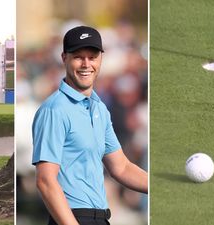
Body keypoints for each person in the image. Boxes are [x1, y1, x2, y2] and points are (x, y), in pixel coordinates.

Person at [32, 26, 148, 225]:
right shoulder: (54, 110)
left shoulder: (99, 109)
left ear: (100, 59)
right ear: (64, 58)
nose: (86, 64)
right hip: (71, 217)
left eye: (92, 57)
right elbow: (45, 181)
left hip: (100, 217)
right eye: (78, 57)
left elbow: (121, 167)